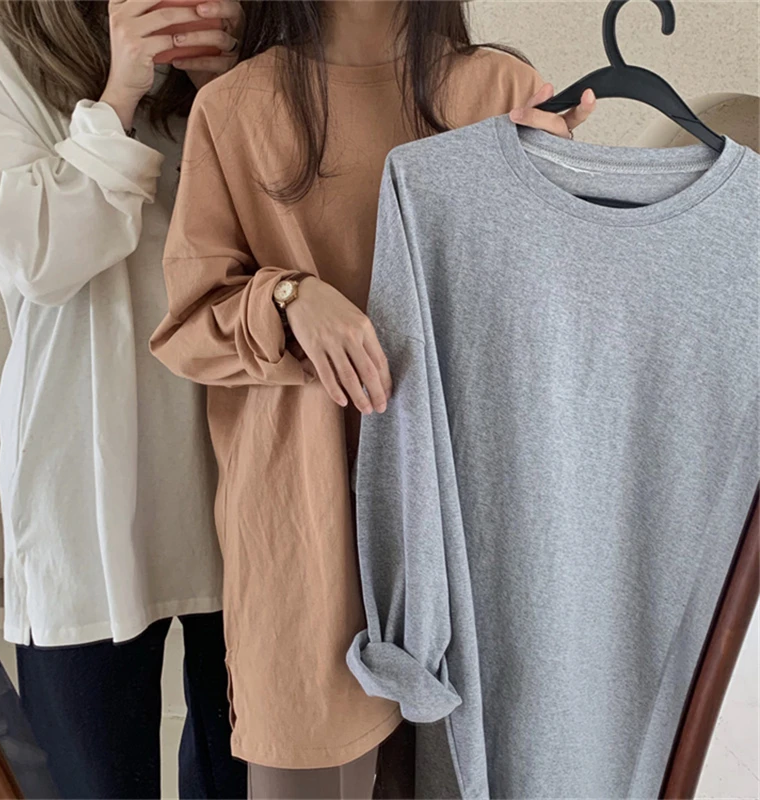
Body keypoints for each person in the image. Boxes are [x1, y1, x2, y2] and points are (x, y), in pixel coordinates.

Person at [150, 2, 596, 798]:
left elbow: (561, 332)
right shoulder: (236, 107)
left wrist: (553, 198)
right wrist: (288, 297)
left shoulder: (500, 92)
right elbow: (188, 328)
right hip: (306, 526)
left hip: (472, 523)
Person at [0, 1, 249, 797]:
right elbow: (39, 259)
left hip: (244, 463)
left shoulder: (245, 28)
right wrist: (120, 95)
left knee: (247, 772)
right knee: (91, 780)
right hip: (81, 476)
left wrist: (229, 91)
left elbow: (303, 241)